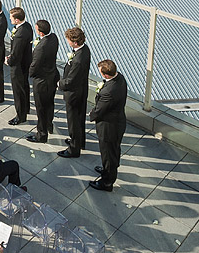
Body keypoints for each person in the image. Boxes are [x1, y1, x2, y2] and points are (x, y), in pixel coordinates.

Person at [89, 59, 128, 192]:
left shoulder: (108, 92)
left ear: (106, 75)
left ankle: (107, 181)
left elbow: (99, 110)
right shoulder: (120, 78)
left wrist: (91, 114)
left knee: (108, 153)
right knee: (113, 150)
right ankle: (108, 170)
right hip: (118, 122)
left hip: (109, 127)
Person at [58, 26, 91, 159]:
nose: (68, 42)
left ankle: (74, 148)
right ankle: (79, 141)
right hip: (82, 91)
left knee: (74, 121)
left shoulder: (77, 60)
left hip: (74, 94)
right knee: (80, 118)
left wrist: (59, 84)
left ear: (75, 42)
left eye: (69, 40)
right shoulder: (85, 50)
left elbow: (70, 81)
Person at [27, 19, 59, 144]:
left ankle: (41, 134)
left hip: (42, 80)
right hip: (53, 76)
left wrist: (29, 74)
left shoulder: (41, 47)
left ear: (40, 33)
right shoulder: (54, 38)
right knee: (50, 103)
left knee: (41, 108)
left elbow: (35, 65)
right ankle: (49, 124)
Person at [6, 8, 32, 127]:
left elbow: (16, 53)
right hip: (25, 63)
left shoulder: (20, 35)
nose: (10, 19)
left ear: (16, 20)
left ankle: (20, 116)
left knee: (18, 90)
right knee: (24, 86)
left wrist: (8, 61)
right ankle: (26, 108)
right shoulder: (27, 26)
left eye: (11, 18)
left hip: (18, 66)